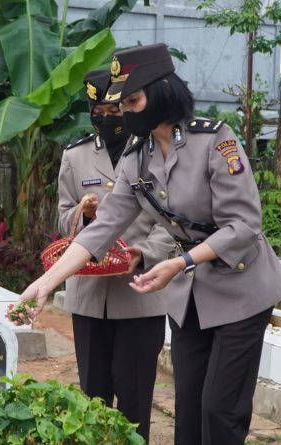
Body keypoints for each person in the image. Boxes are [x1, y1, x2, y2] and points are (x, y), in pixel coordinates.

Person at [15, 43, 281, 445]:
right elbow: (102, 227)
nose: (124, 112)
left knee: (219, 409)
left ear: (161, 91)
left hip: (242, 288)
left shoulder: (214, 140)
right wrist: (45, 283)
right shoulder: (137, 156)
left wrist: (179, 263)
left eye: (132, 101)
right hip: (190, 298)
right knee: (189, 411)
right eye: (122, 103)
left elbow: (244, 225)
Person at [53, 69, 174, 441]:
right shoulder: (75, 156)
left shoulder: (155, 150)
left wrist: (144, 253)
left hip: (140, 292)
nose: (106, 119)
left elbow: (172, 218)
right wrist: (82, 214)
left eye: (114, 111)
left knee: (135, 394)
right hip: (90, 297)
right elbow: (62, 218)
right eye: (98, 113)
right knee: (93, 395)